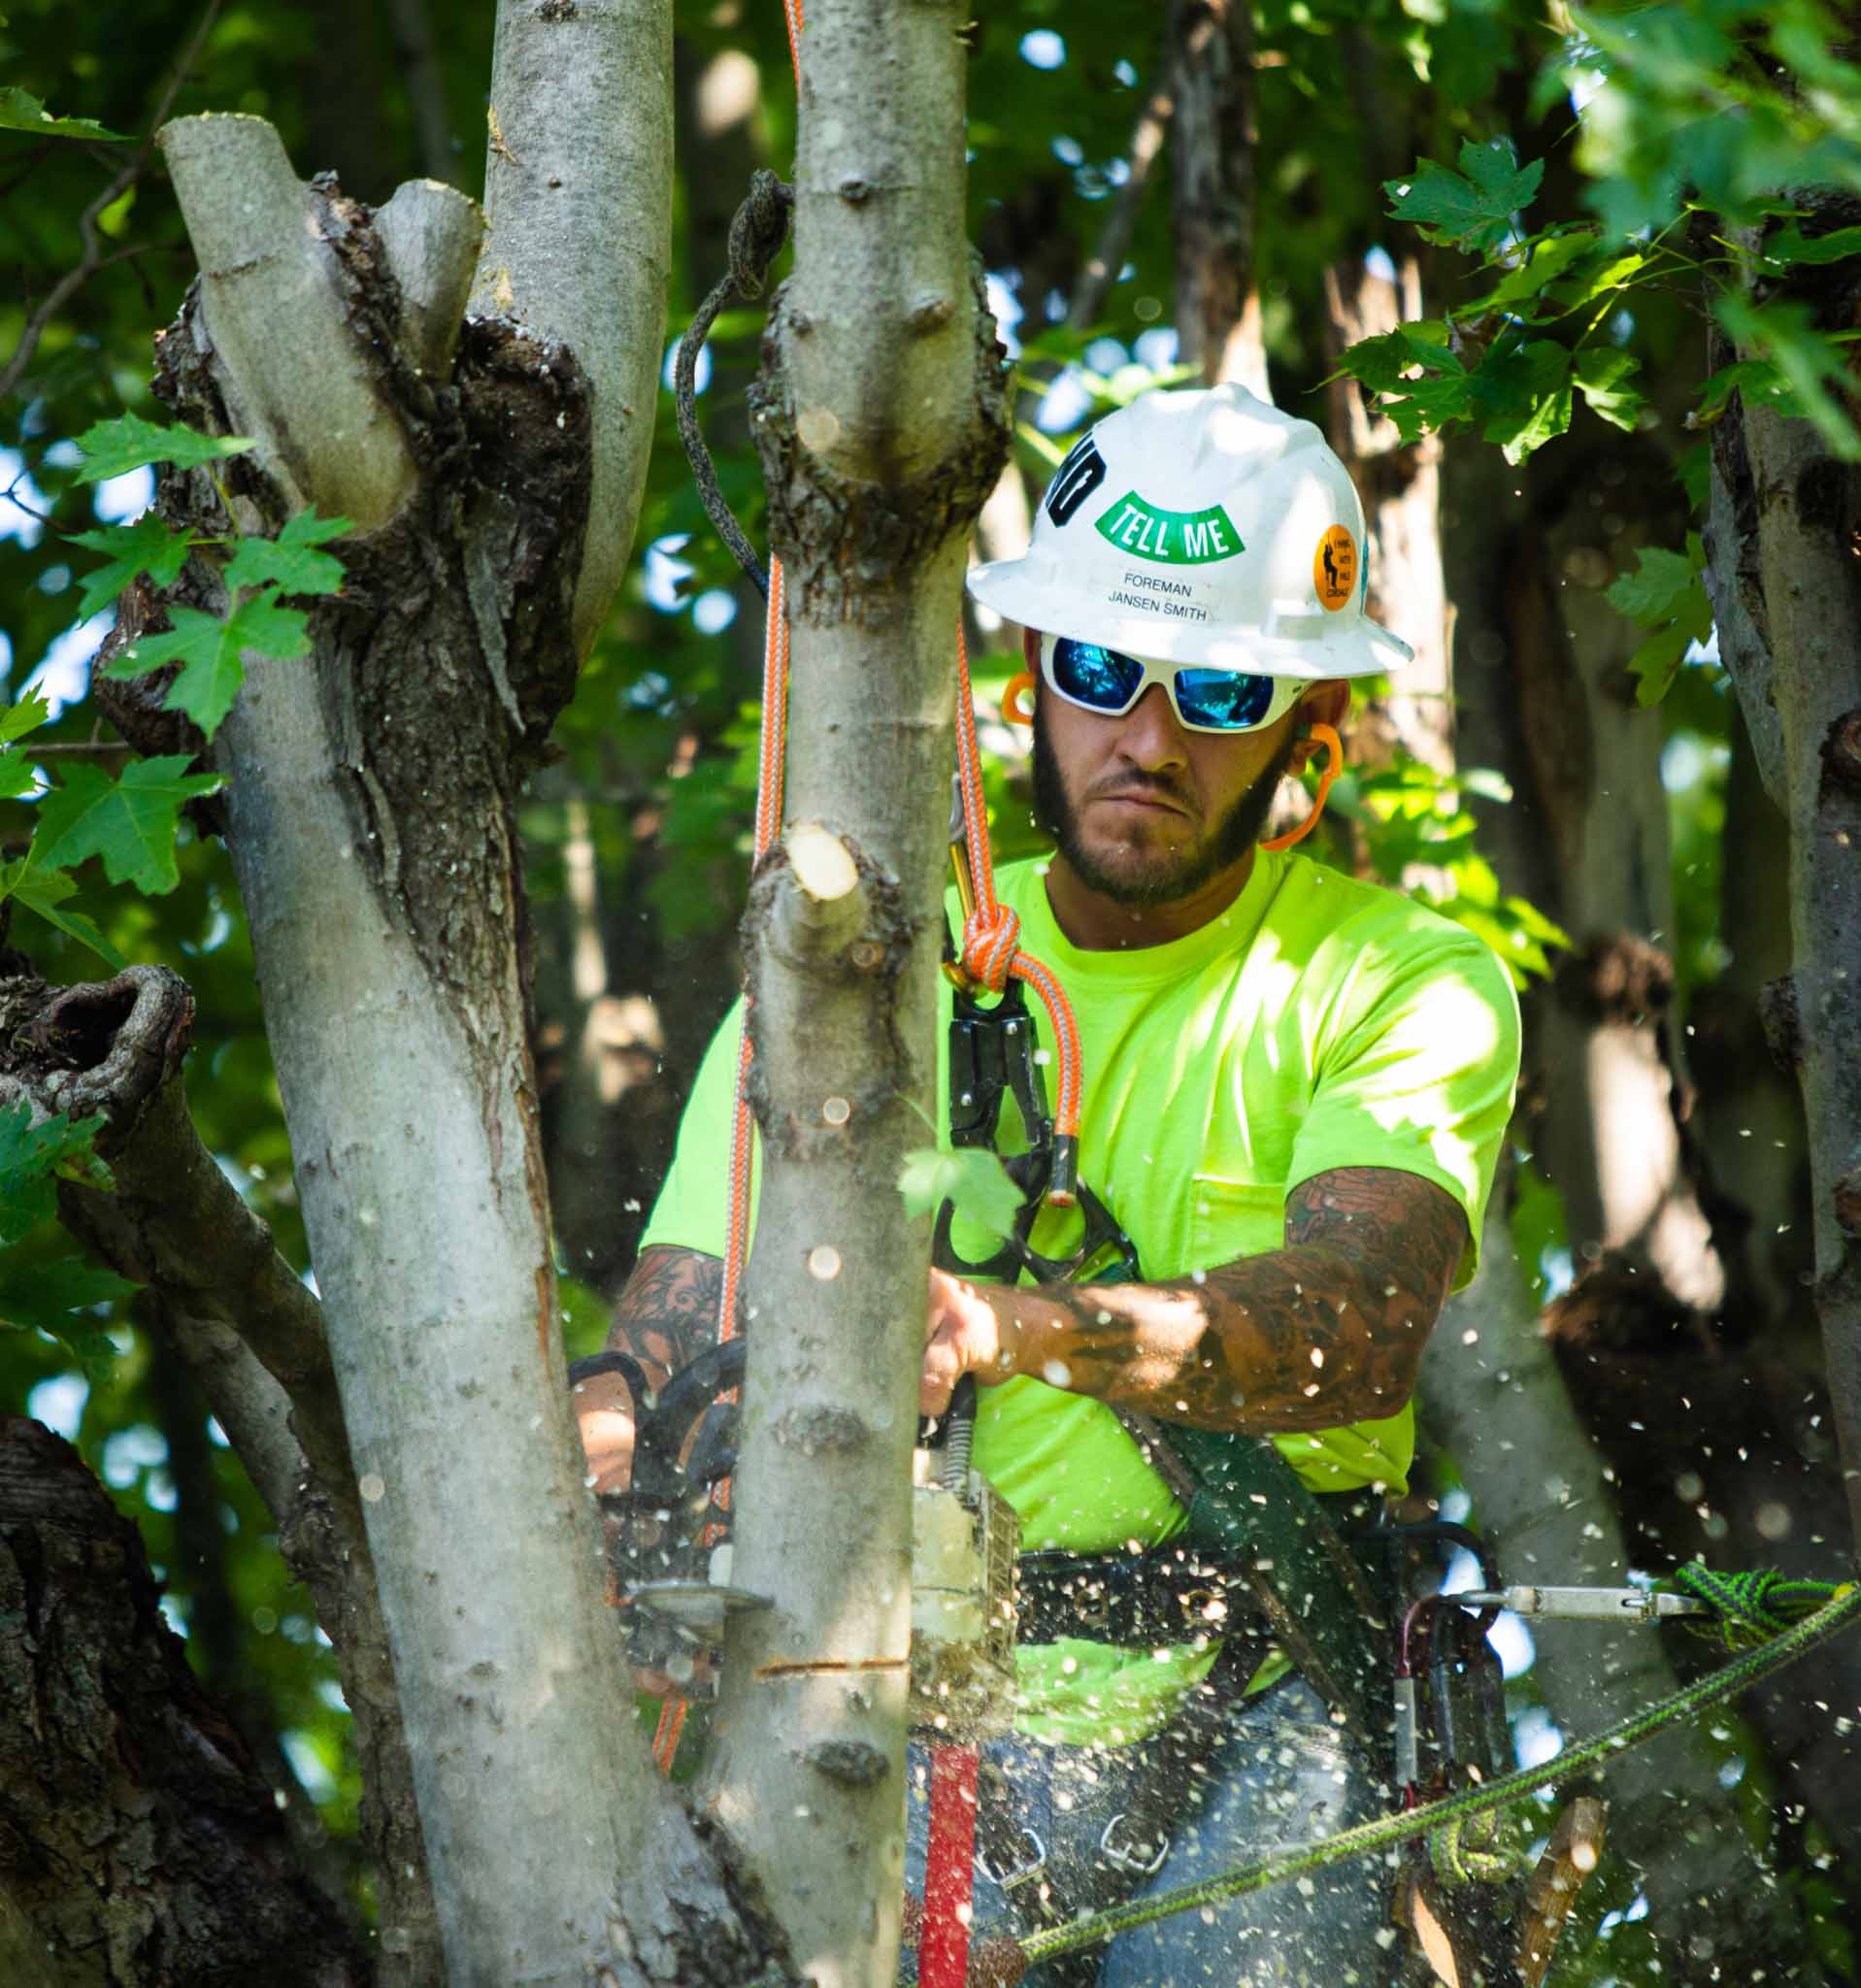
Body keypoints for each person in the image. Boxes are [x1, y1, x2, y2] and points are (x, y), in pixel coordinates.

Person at [578, 384, 1521, 1985]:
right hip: (891, 1723)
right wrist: (606, 1443)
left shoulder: (1394, 978)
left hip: (1266, 1705)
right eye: (1102, 674)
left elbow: (1357, 1324)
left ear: (1311, 727)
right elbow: (675, 1321)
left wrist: (1014, 1326)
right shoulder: (859, 976)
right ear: (1029, 682)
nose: (1145, 740)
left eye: (1217, 690)